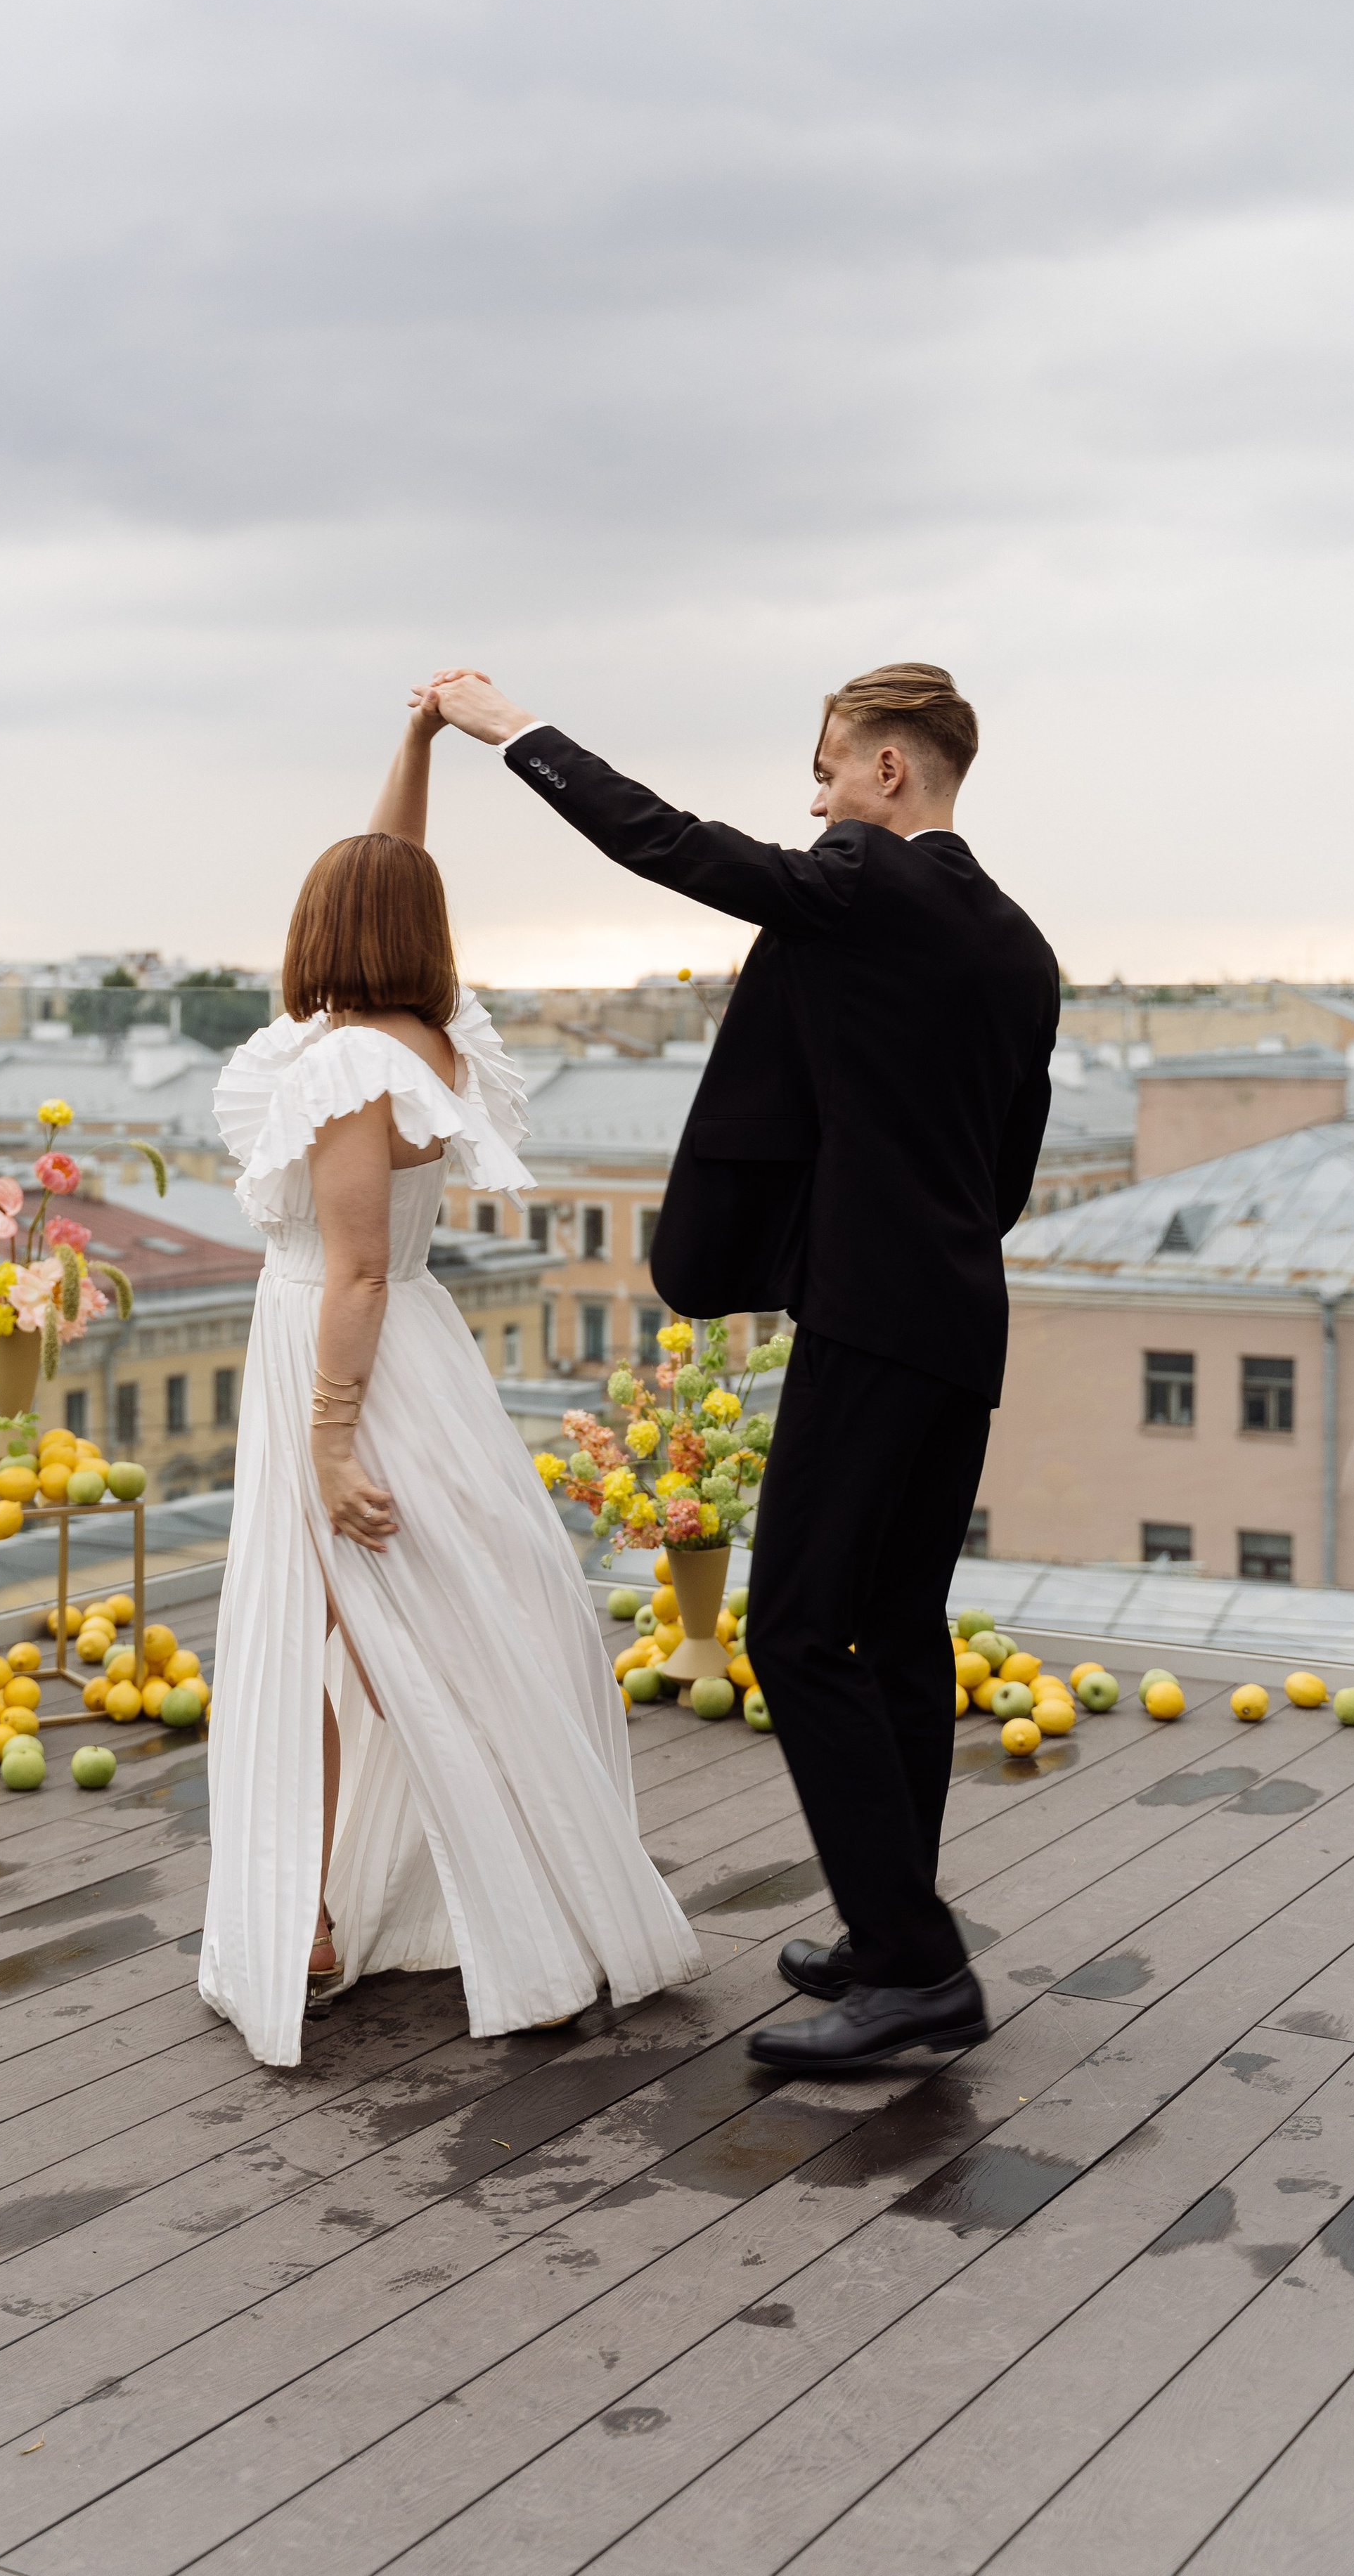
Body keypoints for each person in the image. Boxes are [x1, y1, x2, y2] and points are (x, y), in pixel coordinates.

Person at [421, 661, 1059, 2074]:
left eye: (827, 769)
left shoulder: (864, 886)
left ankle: (912, 1967)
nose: (816, 801)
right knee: (894, 1633)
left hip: (873, 1324)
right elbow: (1004, 1171)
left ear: (888, 771)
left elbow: (670, 844)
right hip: (959, 1318)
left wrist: (509, 730)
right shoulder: (1015, 944)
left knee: (791, 1631)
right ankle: (890, 1925)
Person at [198, 692, 707, 2069]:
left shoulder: (353, 1064)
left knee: (364, 1641)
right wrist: (418, 747)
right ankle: (425, 1895)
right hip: (412, 1353)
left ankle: (326, 1914)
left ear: (321, 933)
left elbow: (351, 1267)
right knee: (421, 1630)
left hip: (341, 1357)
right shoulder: (433, 1040)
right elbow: (393, 869)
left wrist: (322, 1442)